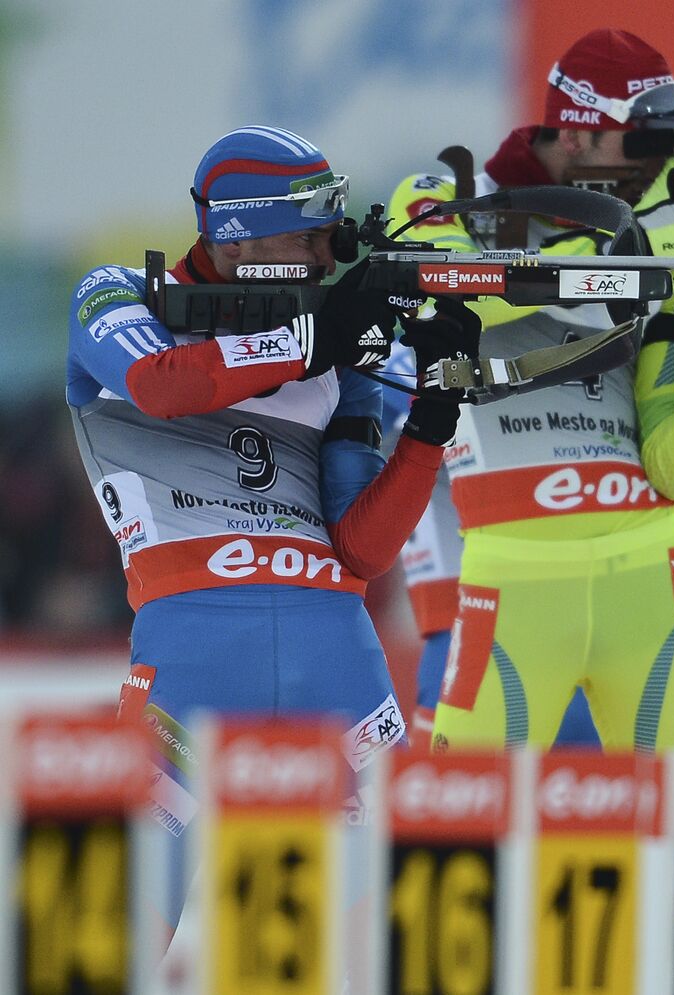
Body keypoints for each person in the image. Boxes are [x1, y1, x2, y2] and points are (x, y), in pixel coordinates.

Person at [384, 28, 674, 752]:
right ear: (573, 133)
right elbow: (460, 308)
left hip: (651, 571)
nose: (656, 168)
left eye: (668, 149)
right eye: (639, 146)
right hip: (513, 575)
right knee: (459, 831)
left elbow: (673, 467)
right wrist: (647, 244)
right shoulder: (443, 197)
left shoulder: (654, 239)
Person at [67, 126, 466, 808]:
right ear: (234, 238)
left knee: (390, 905)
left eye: (330, 237)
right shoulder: (116, 292)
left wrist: (434, 415)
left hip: (336, 646)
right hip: (192, 643)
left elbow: (362, 550)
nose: (324, 257)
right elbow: (162, 385)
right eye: (305, 239)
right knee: (128, 907)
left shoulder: (343, 353)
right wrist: (313, 340)